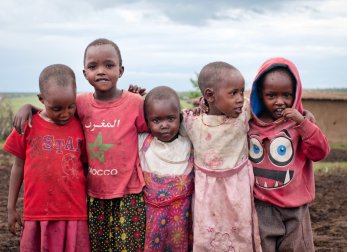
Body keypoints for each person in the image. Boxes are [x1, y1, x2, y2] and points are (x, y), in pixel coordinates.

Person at [13, 38, 148, 251]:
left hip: (129, 193)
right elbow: (53, 108)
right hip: (94, 195)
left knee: (129, 247)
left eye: (109, 65)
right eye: (93, 66)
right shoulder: (81, 103)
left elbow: (158, 125)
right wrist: (27, 107)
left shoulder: (135, 103)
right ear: (85, 74)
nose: (101, 71)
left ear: (121, 71)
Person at [4, 64, 90, 251]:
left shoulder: (80, 126)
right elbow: (17, 167)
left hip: (74, 212)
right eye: (57, 108)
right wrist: (11, 207)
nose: (65, 113)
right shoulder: (28, 125)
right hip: (37, 212)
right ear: (41, 99)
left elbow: (87, 166)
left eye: (71, 106)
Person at [248, 57, 330, 251]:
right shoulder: (250, 124)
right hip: (261, 207)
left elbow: (320, 152)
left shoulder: (300, 124)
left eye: (287, 95)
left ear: (296, 93)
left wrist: (303, 123)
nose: (280, 102)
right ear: (260, 94)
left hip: (295, 208)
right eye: (271, 95)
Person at [182, 61, 262, 251]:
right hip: (206, 193)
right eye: (233, 93)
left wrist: (304, 113)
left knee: (241, 232)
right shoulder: (192, 122)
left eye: (241, 92)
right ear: (209, 95)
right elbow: (161, 120)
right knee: (207, 235)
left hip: (238, 189)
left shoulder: (244, 112)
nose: (240, 99)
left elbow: (270, 108)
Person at [139, 86, 194, 251]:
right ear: (147, 121)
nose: (164, 125)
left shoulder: (187, 140)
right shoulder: (143, 141)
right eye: (156, 120)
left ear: (180, 117)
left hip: (183, 215)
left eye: (171, 119)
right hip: (152, 215)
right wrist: (133, 99)